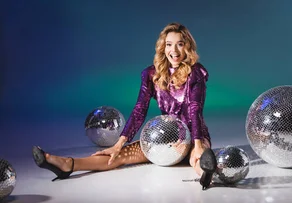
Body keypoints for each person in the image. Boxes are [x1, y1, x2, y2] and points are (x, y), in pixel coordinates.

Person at [32, 22, 217, 189]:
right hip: (163, 138)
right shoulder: (151, 74)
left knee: (197, 157)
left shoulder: (195, 73)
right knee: (118, 156)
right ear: (163, 47)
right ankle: (68, 164)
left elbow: (195, 109)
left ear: (187, 47)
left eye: (180, 44)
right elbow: (139, 110)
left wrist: (197, 144)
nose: (174, 50)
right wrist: (119, 143)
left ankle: (204, 173)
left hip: (194, 135)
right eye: (169, 44)